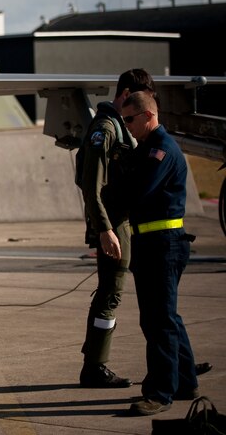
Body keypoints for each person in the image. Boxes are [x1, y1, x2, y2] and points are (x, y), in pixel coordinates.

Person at [121, 90, 199, 416]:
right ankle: (184, 380)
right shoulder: (147, 149)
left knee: (158, 322)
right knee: (167, 318)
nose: (127, 126)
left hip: (163, 245)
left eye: (130, 120)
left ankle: (159, 392)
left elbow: (138, 191)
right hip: (152, 244)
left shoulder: (161, 151)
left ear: (148, 116)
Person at [77, 69, 155, 389]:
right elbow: (90, 185)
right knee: (110, 293)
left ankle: (172, 358)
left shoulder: (123, 128)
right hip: (113, 223)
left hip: (125, 220)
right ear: (124, 95)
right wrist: (105, 230)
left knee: (135, 290)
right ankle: (95, 366)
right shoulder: (106, 128)